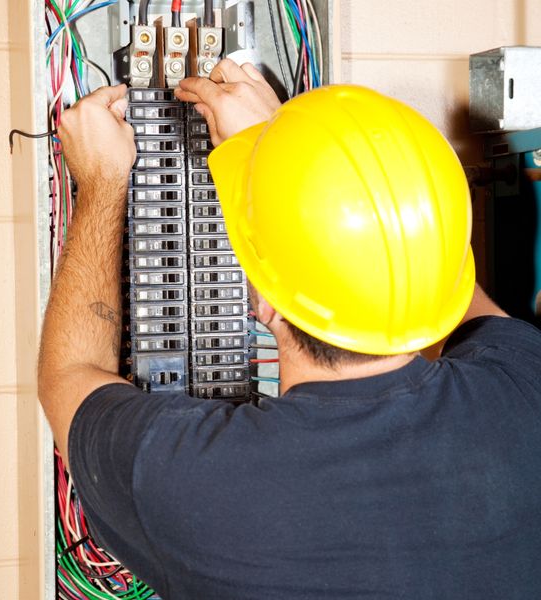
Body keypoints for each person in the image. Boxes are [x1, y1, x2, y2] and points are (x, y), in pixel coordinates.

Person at [38, 59, 541, 599]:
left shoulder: (197, 482)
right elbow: (436, 269)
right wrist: (286, 158)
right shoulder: (522, 389)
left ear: (263, 299)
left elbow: (67, 374)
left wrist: (102, 183)